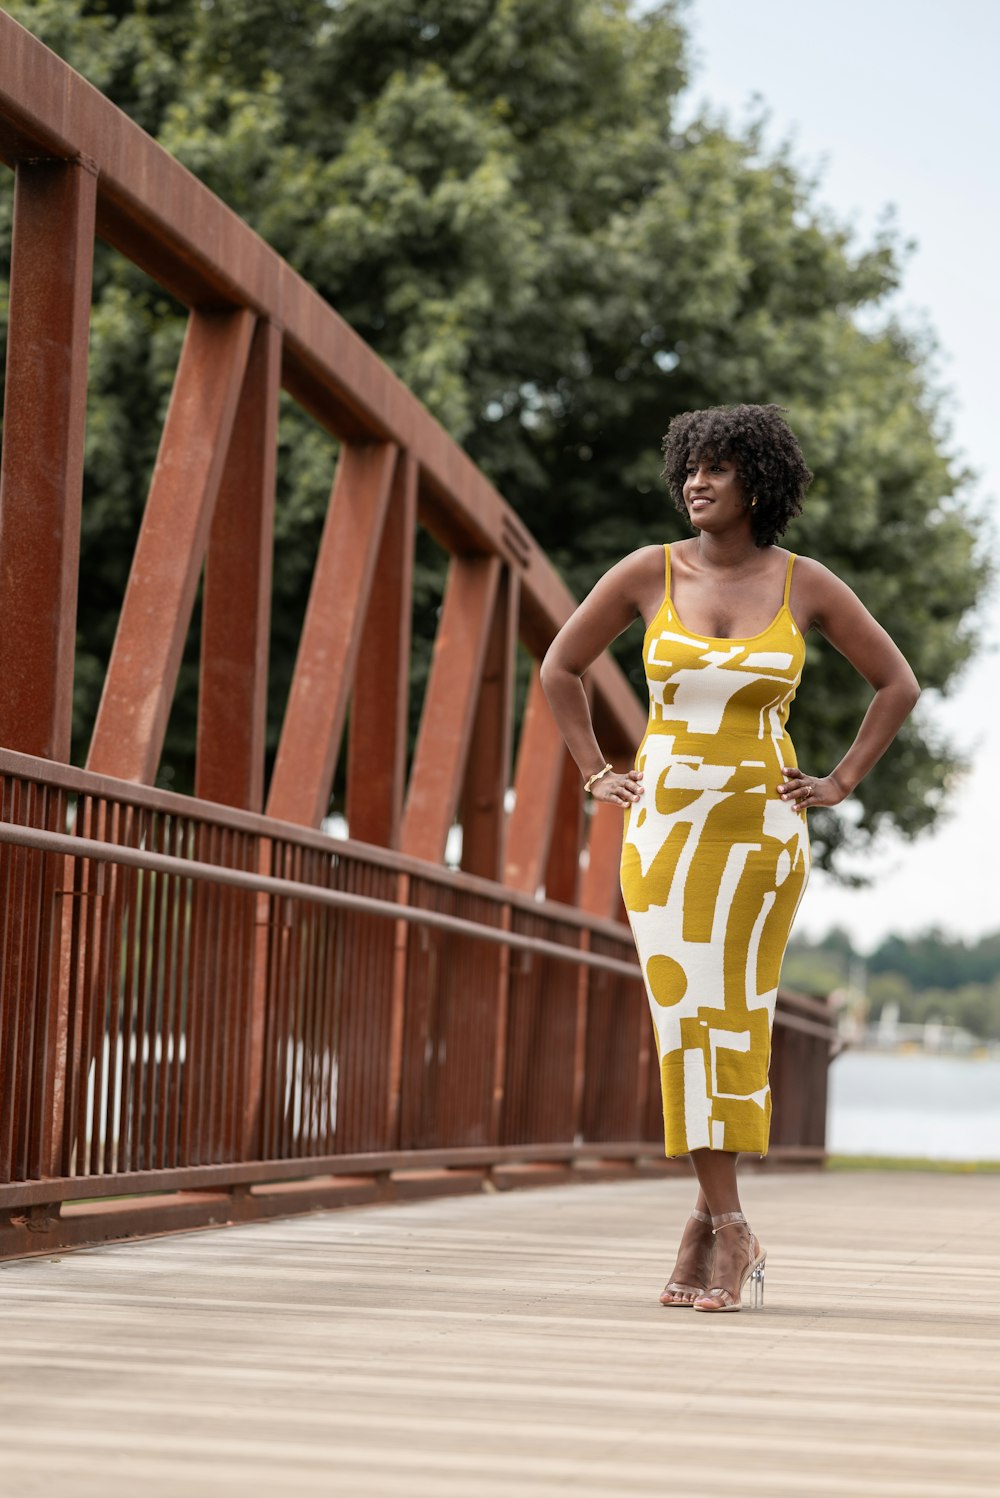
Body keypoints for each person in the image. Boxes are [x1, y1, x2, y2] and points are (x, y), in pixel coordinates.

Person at [540, 404, 920, 1314]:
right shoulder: (646, 571)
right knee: (684, 1023)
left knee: (734, 1023)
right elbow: (560, 667)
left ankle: (710, 1224)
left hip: (760, 835)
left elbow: (897, 683)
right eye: (689, 469)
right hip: (666, 829)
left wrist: (840, 781)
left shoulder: (804, 583)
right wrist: (596, 772)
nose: (696, 483)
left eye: (717, 468)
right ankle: (727, 1219)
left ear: (759, 481)